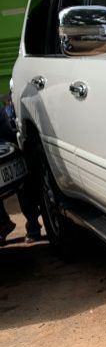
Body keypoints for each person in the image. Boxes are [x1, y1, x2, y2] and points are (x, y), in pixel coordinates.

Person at [0, 93, 41, 244]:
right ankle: (5, 224)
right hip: (7, 142)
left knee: (22, 178)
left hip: (7, 143)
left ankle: (30, 223)